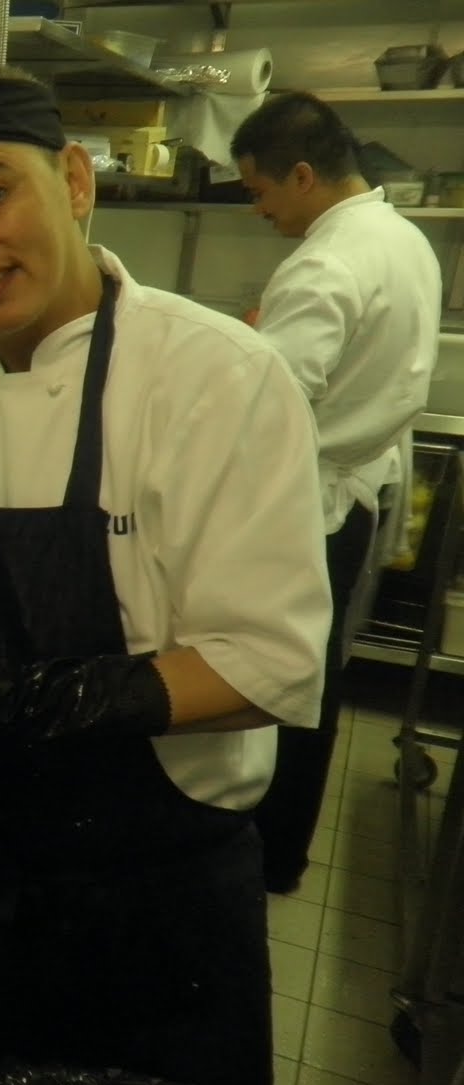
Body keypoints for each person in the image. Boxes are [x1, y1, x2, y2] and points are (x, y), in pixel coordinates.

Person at [0, 65, 332, 1085]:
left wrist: (63, 699)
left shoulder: (216, 378)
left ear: (76, 182)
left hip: (156, 897)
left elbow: (272, 664)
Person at [231, 93, 443, 895]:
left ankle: (268, 855)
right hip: (358, 489)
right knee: (313, 679)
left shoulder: (324, 264)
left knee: (283, 683)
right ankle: (281, 851)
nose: (260, 211)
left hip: (311, 507)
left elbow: (271, 406)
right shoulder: (400, 237)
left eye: (259, 192)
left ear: (302, 175)